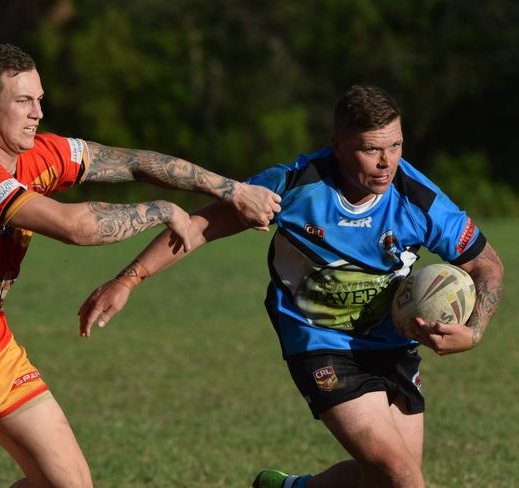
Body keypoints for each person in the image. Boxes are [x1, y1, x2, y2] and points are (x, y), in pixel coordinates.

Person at [0, 42, 281, 488]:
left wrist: (232, 190)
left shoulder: (40, 153)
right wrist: (161, 210)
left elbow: (135, 162)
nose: (38, 113)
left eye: (40, 100)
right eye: (24, 101)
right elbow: (73, 227)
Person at [79, 85, 504, 488]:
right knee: (402, 478)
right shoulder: (297, 186)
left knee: (381, 479)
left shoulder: (418, 199)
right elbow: (199, 226)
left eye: (395, 146)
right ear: (337, 145)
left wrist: (476, 331)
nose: (386, 162)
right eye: (371, 148)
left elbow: (487, 264)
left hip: (392, 343)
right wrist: (128, 279)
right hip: (319, 341)